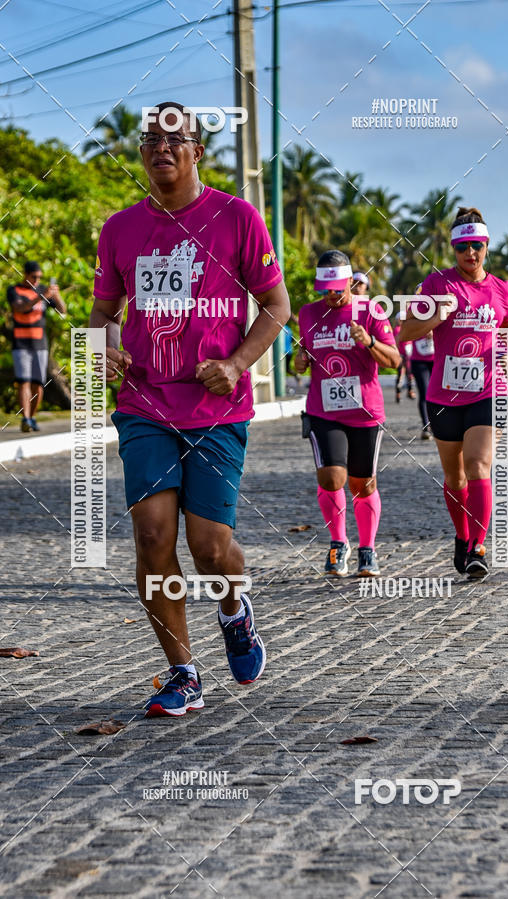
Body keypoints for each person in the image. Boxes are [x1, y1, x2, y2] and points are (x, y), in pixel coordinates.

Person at [89, 101, 290, 717]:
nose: (162, 148)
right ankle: (182, 671)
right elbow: (102, 314)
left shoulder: (236, 217)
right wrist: (105, 349)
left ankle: (234, 608)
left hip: (215, 408)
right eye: (150, 139)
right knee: (152, 536)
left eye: (176, 139)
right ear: (142, 152)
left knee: (208, 548)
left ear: (198, 150)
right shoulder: (120, 228)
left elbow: (277, 306)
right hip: (145, 403)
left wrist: (235, 365)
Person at [400, 207, 508, 579]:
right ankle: (463, 536)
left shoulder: (502, 289)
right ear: (453, 248)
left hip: (488, 390)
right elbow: (404, 331)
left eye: (477, 246)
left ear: (486, 245)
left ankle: (479, 547)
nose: (470, 253)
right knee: (455, 478)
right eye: (463, 247)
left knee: (479, 465)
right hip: (444, 395)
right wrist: (438, 316)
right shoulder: (437, 285)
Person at [295, 250, 399, 577]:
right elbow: (303, 355)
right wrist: (300, 361)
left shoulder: (371, 311)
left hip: (365, 411)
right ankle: (338, 542)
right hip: (323, 409)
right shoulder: (309, 314)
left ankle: (367, 548)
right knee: (331, 477)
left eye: (337, 290)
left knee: (362, 484)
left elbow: (394, 360)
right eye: (325, 290)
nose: (331, 296)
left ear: (350, 283)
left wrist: (367, 341)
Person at [7, 261, 66, 432]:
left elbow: (62, 310)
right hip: (21, 343)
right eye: (34, 277)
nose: (37, 280)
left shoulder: (44, 290)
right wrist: (40, 296)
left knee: (38, 383)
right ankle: (25, 418)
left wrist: (56, 295)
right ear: (25, 275)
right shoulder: (15, 290)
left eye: (39, 277)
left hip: (40, 344)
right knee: (23, 381)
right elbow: (19, 308)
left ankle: (32, 418)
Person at [398, 285, 434, 438]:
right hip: (419, 360)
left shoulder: (438, 307)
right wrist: (424, 329)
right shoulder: (412, 310)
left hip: (437, 359)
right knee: (425, 393)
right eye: (418, 293)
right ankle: (426, 427)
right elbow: (405, 331)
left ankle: (438, 425)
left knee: (439, 395)